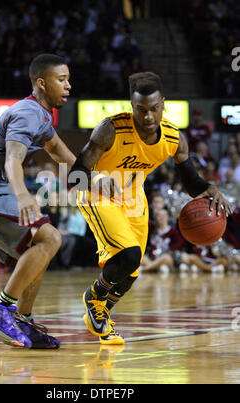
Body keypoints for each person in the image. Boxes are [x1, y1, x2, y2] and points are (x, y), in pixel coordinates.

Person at [69, 72, 232, 345]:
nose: (147, 116)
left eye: (154, 109)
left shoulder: (173, 138)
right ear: (132, 106)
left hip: (134, 200)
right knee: (130, 255)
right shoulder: (110, 129)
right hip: (98, 195)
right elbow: (74, 175)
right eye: (141, 109)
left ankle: (100, 315)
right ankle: (93, 297)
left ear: (163, 104)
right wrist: (97, 179)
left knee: (131, 272)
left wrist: (210, 189)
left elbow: (191, 182)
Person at [0, 54, 76, 349]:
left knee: (38, 250)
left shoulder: (43, 117)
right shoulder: (28, 113)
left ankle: (22, 319)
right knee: (50, 238)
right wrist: (22, 195)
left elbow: (61, 154)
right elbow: (12, 160)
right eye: (62, 80)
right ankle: (0, 310)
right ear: (42, 84)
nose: (69, 85)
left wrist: (97, 181)